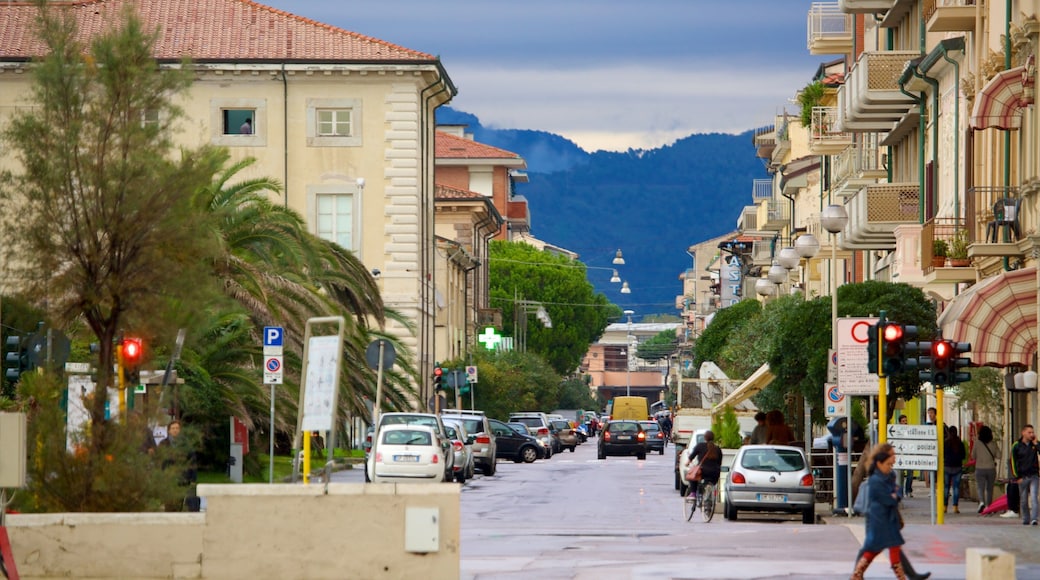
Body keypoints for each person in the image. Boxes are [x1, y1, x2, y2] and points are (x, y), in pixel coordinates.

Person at [851, 443, 930, 580]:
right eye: (892, 455)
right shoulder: (876, 479)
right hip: (879, 519)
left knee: (887, 547)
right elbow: (889, 498)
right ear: (881, 461)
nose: (894, 458)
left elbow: (897, 491)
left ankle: (858, 574)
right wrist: (893, 496)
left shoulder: (889, 475)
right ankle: (857, 573)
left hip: (888, 518)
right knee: (871, 548)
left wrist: (895, 494)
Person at [1009, 424, 1040, 526]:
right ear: (1023, 433)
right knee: (1023, 499)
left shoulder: (1034, 444)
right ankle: (1026, 518)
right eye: (1029, 432)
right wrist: (1017, 476)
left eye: (1032, 432)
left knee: (1034, 497)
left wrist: (1036, 443)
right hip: (1022, 476)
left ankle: (1034, 518)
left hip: (1034, 475)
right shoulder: (1016, 445)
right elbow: (1013, 461)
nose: (1031, 434)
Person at [687, 430, 724, 503]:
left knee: (692, 475)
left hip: (703, 471)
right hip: (715, 473)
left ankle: (693, 494)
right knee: (710, 483)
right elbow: (719, 463)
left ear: (705, 438)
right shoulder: (717, 449)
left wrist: (687, 463)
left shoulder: (700, 446)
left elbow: (691, 457)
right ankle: (709, 495)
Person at [971, 425, 999, 514]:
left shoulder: (977, 443)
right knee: (989, 488)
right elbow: (999, 455)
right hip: (991, 468)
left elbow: (973, 456)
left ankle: (982, 502)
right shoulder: (993, 443)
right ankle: (989, 506)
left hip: (980, 468)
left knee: (980, 487)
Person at [943, 425, 966, 513]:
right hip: (957, 467)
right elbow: (963, 456)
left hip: (947, 466)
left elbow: (943, 454)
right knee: (956, 487)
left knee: (946, 487)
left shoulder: (946, 442)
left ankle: (945, 506)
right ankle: (955, 507)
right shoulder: (960, 443)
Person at [898, 415, 913, 498]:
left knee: (910, 475)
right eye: (903, 421)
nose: (905, 422)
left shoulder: (910, 431)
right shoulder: (897, 433)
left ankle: (908, 490)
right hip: (900, 456)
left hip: (909, 455)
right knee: (900, 476)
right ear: (900, 422)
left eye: (906, 420)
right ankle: (901, 492)